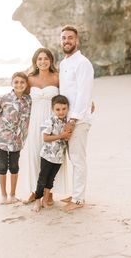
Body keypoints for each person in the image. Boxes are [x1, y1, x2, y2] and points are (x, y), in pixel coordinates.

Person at [21, 48, 71, 204]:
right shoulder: (29, 79)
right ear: (35, 61)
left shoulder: (57, 77)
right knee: (35, 155)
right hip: (35, 121)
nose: (43, 61)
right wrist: (1, 102)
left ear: (51, 61)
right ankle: (35, 192)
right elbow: (18, 94)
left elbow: (69, 95)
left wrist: (88, 102)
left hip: (53, 121)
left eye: (46, 58)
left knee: (53, 157)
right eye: (40, 59)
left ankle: (50, 193)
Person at [0, 72, 31, 205]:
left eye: (22, 82)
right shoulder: (3, 99)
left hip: (18, 140)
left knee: (14, 166)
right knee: (2, 165)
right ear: (12, 83)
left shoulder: (28, 100)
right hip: (2, 138)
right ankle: (3, 195)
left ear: (26, 84)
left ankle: (13, 195)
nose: (19, 84)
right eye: (16, 82)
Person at [59, 25, 94, 211]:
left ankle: (79, 199)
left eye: (70, 37)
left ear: (77, 40)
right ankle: (75, 193)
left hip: (78, 120)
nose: (67, 41)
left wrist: (73, 120)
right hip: (67, 119)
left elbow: (84, 93)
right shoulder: (64, 63)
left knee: (78, 159)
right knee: (73, 158)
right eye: (64, 38)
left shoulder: (83, 63)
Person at [32, 95, 71, 212]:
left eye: (64, 109)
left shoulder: (67, 122)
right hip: (47, 156)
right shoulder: (49, 121)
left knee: (51, 179)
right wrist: (61, 136)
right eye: (58, 109)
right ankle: (37, 200)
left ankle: (45, 199)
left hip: (59, 157)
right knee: (42, 179)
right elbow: (45, 138)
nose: (61, 112)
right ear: (52, 109)